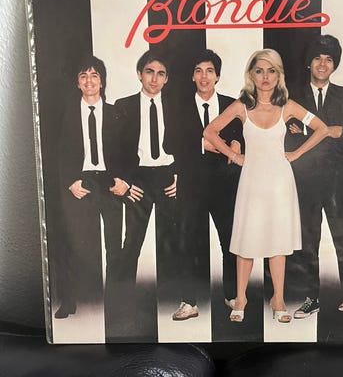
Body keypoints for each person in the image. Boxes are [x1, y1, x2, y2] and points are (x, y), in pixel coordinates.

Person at [204, 49, 342, 323]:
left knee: (278, 242)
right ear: (251, 75)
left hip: (280, 182)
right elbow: (209, 132)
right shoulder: (241, 106)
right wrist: (234, 156)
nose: (265, 77)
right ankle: (240, 299)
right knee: (246, 241)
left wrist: (296, 154)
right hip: (251, 181)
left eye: (271, 71)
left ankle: (278, 299)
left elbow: (322, 128)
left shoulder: (287, 106)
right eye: (259, 71)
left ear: (279, 75)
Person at [284, 35, 343, 319]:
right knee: (307, 240)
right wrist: (330, 131)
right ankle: (311, 298)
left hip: (339, 181)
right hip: (304, 180)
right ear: (309, 62)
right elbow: (288, 138)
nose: (322, 63)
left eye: (329, 59)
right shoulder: (291, 95)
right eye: (317, 57)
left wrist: (310, 133)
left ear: (335, 64)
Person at [55, 55, 127, 336]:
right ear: (77, 82)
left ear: (102, 81)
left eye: (94, 75)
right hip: (81, 181)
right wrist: (70, 181)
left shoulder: (115, 113)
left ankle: (117, 302)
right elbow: (58, 151)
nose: (89, 81)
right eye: (83, 75)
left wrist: (122, 180)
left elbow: (127, 150)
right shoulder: (67, 114)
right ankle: (68, 299)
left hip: (109, 182)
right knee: (73, 241)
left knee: (114, 244)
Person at [170, 50, 243, 321]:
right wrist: (203, 144)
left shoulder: (231, 105)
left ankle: (232, 294)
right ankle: (189, 301)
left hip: (225, 184)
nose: (204, 76)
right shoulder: (177, 107)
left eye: (209, 71)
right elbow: (170, 142)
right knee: (187, 240)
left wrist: (236, 143)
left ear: (218, 76)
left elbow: (243, 136)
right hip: (191, 184)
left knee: (230, 239)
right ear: (192, 76)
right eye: (198, 70)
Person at [114, 49, 177, 338]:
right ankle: (122, 302)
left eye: (161, 73)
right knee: (133, 240)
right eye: (149, 71)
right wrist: (125, 183)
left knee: (169, 240)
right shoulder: (124, 106)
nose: (155, 78)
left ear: (166, 79)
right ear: (140, 74)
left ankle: (169, 300)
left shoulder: (177, 106)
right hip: (138, 178)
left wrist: (179, 176)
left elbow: (187, 145)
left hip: (166, 177)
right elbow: (113, 149)